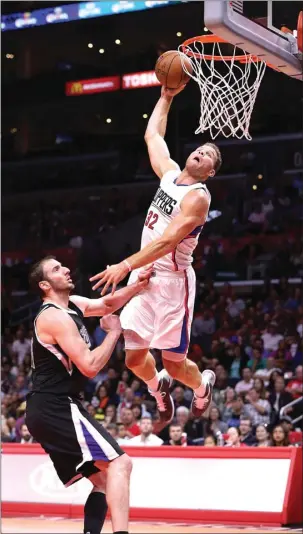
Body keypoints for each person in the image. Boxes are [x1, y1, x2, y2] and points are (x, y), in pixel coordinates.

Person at [90, 86, 222, 425]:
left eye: (210, 156)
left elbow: (166, 242)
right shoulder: (168, 174)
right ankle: (156, 386)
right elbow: (153, 135)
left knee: (174, 362)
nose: (202, 153)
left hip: (172, 282)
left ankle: (203, 386)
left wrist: (124, 264)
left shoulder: (198, 197)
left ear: (210, 172)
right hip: (143, 275)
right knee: (134, 360)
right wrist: (166, 95)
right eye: (202, 149)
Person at [25, 256, 152, 534]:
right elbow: (91, 366)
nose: (67, 269)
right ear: (45, 285)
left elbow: (106, 305)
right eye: (57, 269)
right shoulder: (53, 317)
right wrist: (114, 333)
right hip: (54, 405)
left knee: (104, 481)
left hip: (50, 407)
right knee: (121, 463)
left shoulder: (71, 306)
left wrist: (137, 286)